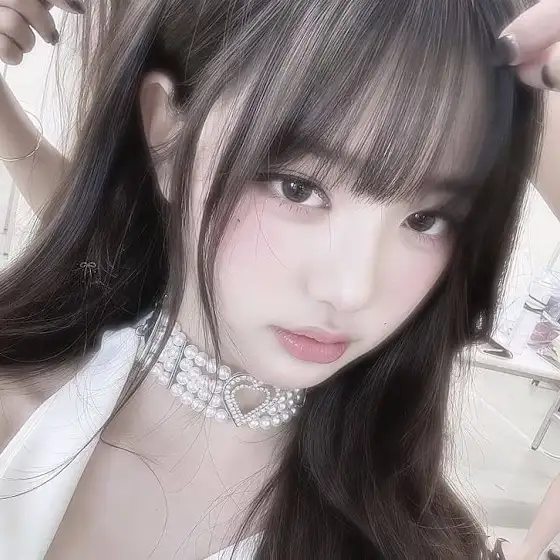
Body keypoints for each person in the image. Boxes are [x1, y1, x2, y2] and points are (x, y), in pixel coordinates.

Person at [0, 0, 554, 559]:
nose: (351, 292)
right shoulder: (16, 418)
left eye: (426, 220)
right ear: (165, 130)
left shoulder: (412, 539)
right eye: (298, 188)